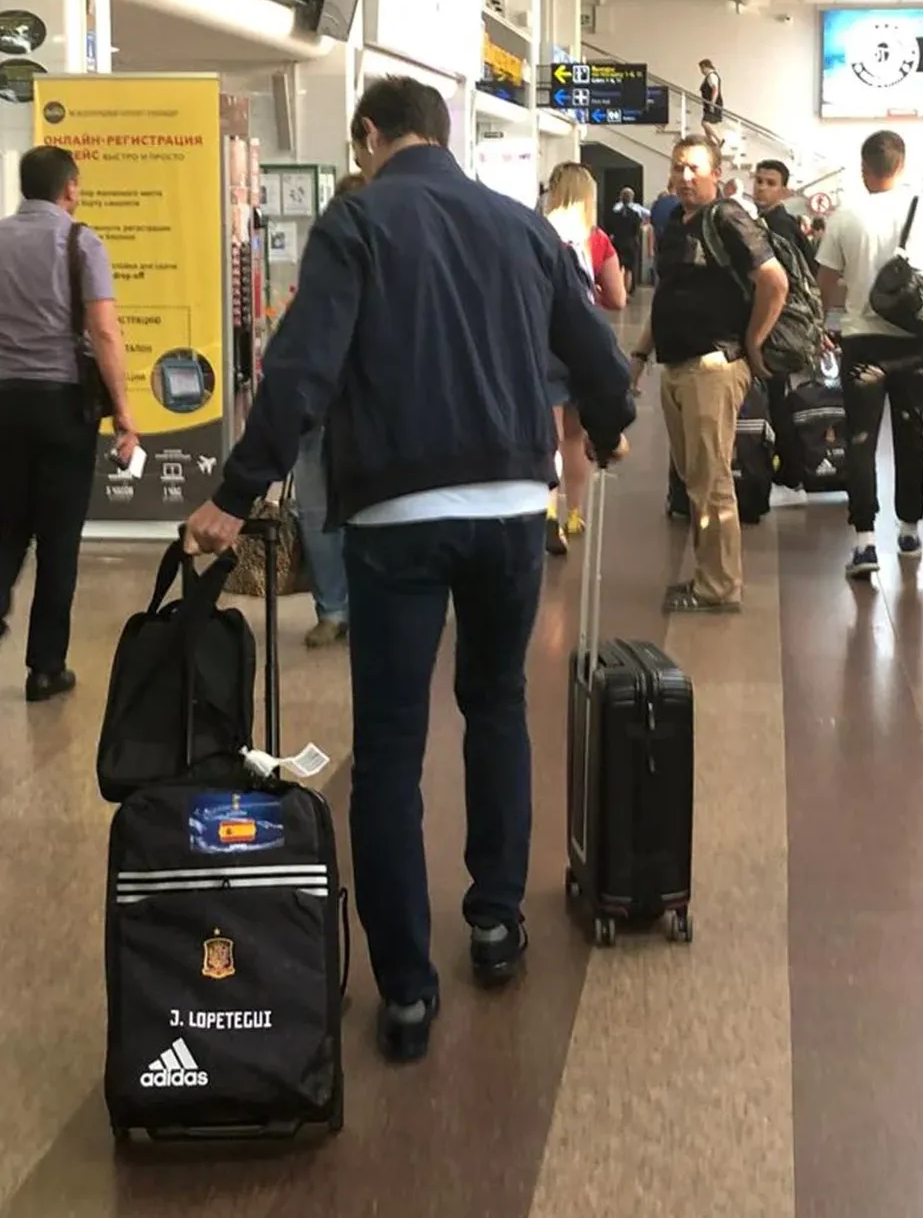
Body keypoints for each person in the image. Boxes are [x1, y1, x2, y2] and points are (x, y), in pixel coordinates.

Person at [184, 77, 634, 1064]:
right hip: (514, 508)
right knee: (496, 706)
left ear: (371, 135)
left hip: (395, 514)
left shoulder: (357, 222)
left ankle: (407, 993)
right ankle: (494, 921)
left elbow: (301, 372)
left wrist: (235, 489)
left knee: (388, 746)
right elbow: (594, 351)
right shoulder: (519, 225)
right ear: (445, 135)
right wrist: (608, 427)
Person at [0, 146, 138, 700]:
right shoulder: (82, 242)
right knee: (59, 538)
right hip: (62, 407)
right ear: (71, 188)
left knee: (5, 523)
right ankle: (45, 668)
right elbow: (103, 332)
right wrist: (125, 411)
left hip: (4, 402)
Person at [629, 135, 787, 613]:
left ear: (716, 175)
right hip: (676, 367)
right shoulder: (676, 223)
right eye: (679, 168)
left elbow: (774, 281)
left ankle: (719, 587)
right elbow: (666, 298)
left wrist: (754, 342)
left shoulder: (729, 218)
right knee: (693, 476)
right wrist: (639, 356)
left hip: (713, 366)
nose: (685, 176)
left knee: (711, 478)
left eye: (696, 168)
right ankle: (706, 578)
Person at [816, 130, 923, 579]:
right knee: (910, 432)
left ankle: (863, 543)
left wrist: (826, 321)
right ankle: (911, 530)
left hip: (862, 343)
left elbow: (824, 282)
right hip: (914, 344)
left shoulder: (844, 216)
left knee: (860, 439)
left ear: (864, 168)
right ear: (901, 166)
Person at [296, 171, 367, 647]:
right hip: (333, 403)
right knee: (329, 509)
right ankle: (339, 607)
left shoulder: (324, 260)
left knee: (322, 509)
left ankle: (339, 608)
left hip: (339, 402)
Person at [544, 162, 627, 556]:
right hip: (579, 343)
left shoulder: (533, 232)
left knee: (548, 437)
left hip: (540, 344)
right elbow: (618, 298)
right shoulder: (596, 240)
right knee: (575, 438)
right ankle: (574, 514)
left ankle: (546, 512)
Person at [753, 159, 820, 490]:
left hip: (777, 324)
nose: (762, 187)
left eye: (770, 182)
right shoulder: (776, 223)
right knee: (776, 394)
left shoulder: (776, 227)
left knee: (775, 396)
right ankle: (787, 462)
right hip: (783, 322)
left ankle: (790, 465)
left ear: (783, 189)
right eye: (759, 180)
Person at [605, 187, 646, 294]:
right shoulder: (635, 214)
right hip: (630, 243)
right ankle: (626, 293)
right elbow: (637, 231)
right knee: (629, 270)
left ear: (620, 198)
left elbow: (609, 229)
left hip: (618, 243)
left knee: (618, 269)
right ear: (631, 199)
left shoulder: (614, 214)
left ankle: (618, 292)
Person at [698, 58, 724, 146]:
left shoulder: (712, 76)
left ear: (705, 67)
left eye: (701, 69)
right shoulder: (709, 76)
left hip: (712, 104)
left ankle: (718, 140)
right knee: (706, 129)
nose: (701, 71)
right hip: (708, 104)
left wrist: (712, 103)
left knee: (704, 123)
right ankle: (711, 145)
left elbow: (715, 89)